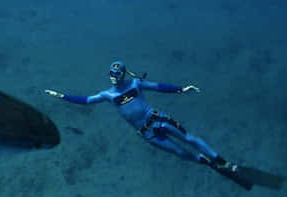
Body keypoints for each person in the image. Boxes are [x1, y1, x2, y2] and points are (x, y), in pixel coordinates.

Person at [45, 60, 256, 188]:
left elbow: (158, 86)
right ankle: (206, 161)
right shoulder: (107, 94)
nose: (113, 78)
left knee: (188, 138)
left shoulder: (136, 83)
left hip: (157, 119)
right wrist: (62, 96)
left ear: (124, 74)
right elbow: (86, 101)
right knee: (178, 152)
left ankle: (222, 161)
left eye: (116, 74)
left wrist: (182, 89)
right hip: (146, 133)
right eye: (111, 74)